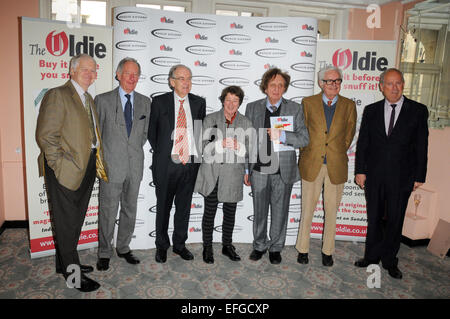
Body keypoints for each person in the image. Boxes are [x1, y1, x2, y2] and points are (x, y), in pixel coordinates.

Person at [36, 53, 108, 292]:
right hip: (65, 169)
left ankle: (64, 262)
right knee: (67, 222)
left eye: (94, 70)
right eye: (86, 69)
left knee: (74, 221)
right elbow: (46, 136)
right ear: (72, 71)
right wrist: (59, 165)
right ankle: (73, 275)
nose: (91, 74)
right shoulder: (58, 94)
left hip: (87, 166)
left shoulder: (88, 98)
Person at [354, 68, 428, 279]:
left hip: (402, 177)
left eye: (398, 83)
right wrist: (360, 171)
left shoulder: (418, 110)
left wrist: (419, 176)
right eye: (389, 84)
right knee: (374, 217)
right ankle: (371, 257)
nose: (394, 88)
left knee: (395, 220)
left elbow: (422, 146)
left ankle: (390, 261)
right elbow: (364, 144)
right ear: (381, 86)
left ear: (403, 85)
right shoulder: (371, 110)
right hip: (375, 176)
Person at [244, 68, 309, 264]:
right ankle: (259, 245)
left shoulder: (295, 109)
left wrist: (282, 136)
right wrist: (246, 169)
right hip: (259, 169)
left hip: (283, 170)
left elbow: (304, 139)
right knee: (260, 211)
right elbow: (248, 141)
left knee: (280, 212)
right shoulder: (252, 108)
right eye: (273, 84)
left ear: (285, 88)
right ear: (265, 87)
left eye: (281, 85)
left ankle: (276, 247)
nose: (277, 88)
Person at [296, 66, 356, 267]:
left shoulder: (348, 105)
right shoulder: (308, 102)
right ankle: (302, 249)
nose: (334, 84)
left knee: (332, 211)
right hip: (312, 163)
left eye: (337, 80)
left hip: (335, 165)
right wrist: (307, 153)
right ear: (321, 83)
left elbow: (349, 133)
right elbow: (302, 131)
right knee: (307, 210)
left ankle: (327, 250)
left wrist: (336, 151)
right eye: (329, 81)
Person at [94, 58, 151, 271]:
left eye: (136, 74)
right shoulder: (102, 100)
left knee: (130, 208)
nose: (132, 78)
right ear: (118, 75)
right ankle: (104, 252)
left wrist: (131, 151)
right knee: (108, 210)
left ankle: (124, 247)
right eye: (127, 73)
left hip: (134, 166)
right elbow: (96, 134)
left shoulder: (146, 102)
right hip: (110, 166)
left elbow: (143, 135)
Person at [148, 64, 206, 263]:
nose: (186, 82)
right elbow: (152, 134)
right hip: (167, 165)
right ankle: (162, 246)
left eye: (189, 78)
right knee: (163, 208)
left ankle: (179, 245)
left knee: (183, 208)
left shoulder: (199, 103)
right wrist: (167, 154)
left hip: (189, 165)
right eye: (181, 78)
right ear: (172, 81)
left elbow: (199, 133)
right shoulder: (158, 102)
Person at [194, 86, 254, 264]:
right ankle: (207, 247)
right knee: (209, 212)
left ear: (240, 103)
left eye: (235, 101)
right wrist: (219, 145)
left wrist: (240, 148)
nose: (231, 104)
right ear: (222, 101)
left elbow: (252, 151)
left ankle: (227, 245)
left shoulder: (246, 122)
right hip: (212, 175)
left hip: (233, 176)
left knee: (230, 213)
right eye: (228, 100)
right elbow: (201, 147)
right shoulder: (210, 119)